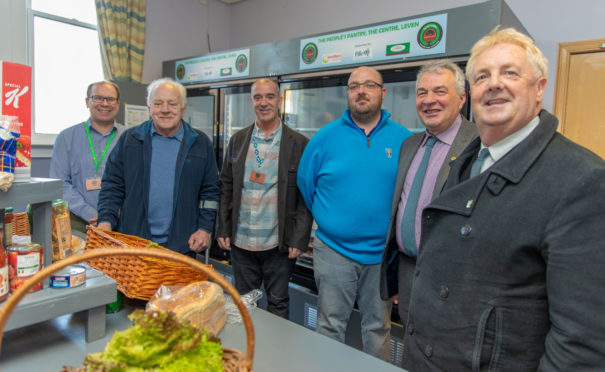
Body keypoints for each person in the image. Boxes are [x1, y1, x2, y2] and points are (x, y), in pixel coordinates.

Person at [402, 27, 605, 371]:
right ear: (473, 92)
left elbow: (581, 343)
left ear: (539, 88)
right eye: (482, 76)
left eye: (510, 72)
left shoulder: (582, 179)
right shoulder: (467, 160)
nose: (494, 83)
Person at [297, 66, 412, 360]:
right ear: (348, 94)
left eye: (369, 85)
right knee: (329, 325)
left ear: (382, 93)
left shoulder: (404, 140)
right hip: (334, 252)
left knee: (378, 328)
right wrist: (334, 220)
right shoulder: (324, 138)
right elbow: (306, 186)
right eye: (354, 86)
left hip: (382, 256)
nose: (361, 91)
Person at [379, 60, 477, 324]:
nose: (429, 100)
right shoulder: (410, 145)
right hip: (409, 271)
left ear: (462, 98)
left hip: (454, 279)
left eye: (440, 91)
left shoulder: (479, 144)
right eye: (422, 92)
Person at [216, 78, 312, 319]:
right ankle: (246, 354)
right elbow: (225, 187)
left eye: (270, 96)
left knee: (278, 304)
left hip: (278, 245)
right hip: (241, 243)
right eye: (258, 97)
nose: (264, 102)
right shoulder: (238, 140)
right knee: (243, 306)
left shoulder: (299, 144)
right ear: (251, 102)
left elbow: (305, 196)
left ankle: (275, 356)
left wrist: (298, 239)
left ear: (279, 101)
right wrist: (223, 228)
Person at [97, 78, 219, 256]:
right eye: (158, 103)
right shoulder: (130, 140)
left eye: (172, 104)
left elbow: (210, 192)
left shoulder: (200, 144)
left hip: (182, 245)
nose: (165, 110)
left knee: (179, 286)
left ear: (183, 109)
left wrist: (204, 228)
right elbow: (112, 185)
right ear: (149, 108)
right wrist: (105, 220)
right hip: (134, 243)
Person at [49, 81, 125, 234]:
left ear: (117, 104)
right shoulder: (66, 137)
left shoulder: (130, 137)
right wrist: (91, 214)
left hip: (121, 222)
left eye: (110, 99)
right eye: (98, 98)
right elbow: (60, 183)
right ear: (87, 102)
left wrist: (110, 215)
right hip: (78, 223)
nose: (104, 104)